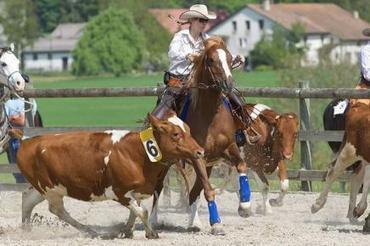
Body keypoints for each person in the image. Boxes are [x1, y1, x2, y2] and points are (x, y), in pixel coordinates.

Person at [152, 4, 249, 145]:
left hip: (199, 82)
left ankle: (243, 130)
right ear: (191, 21)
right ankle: (152, 133)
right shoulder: (180, 36)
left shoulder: (208, 40)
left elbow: (218, 55)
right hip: (178, 81)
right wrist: (187, 56)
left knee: (233, 96)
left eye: (205, 21)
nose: (203, 23)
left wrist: (235, 57)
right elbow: (172, 53)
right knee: (164, 107)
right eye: (200, 20)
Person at [5, 97, 27, 183]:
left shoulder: (9, 103)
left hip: (15, 137)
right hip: (14, 137)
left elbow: (21, 121)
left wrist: (11, 118)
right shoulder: (9, 102)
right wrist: (13, 118)